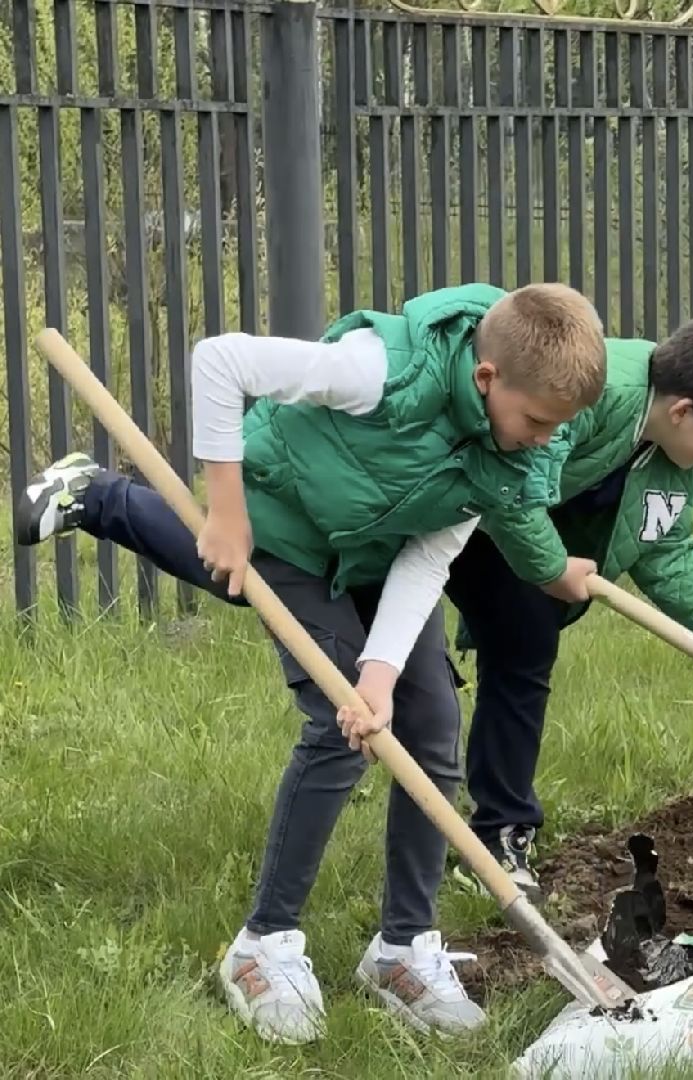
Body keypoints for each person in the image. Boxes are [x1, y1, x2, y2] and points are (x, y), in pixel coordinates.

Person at [15, 282, 607, 1044]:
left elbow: (431, 555)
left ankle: (403, 948)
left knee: (429, 726)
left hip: (376, 551)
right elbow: (221, 361)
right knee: (334, 724)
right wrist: (229, 514)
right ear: (487, 378)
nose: (545, 439)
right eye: (537, 421)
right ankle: (263, 944)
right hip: (285, 521)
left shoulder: (516, 451)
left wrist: (380, 676)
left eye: (559, 426)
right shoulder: (380, 370)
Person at [447, 306, 693, 898]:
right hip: (467, 505)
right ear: (682, 411)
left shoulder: (680, 457)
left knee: (524, 642)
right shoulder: (592, 392)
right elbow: (518, 481)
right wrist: (552, 568)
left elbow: (666, 550)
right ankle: (477, 828)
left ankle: (497, 832)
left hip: (527, 534)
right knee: (473, 659)